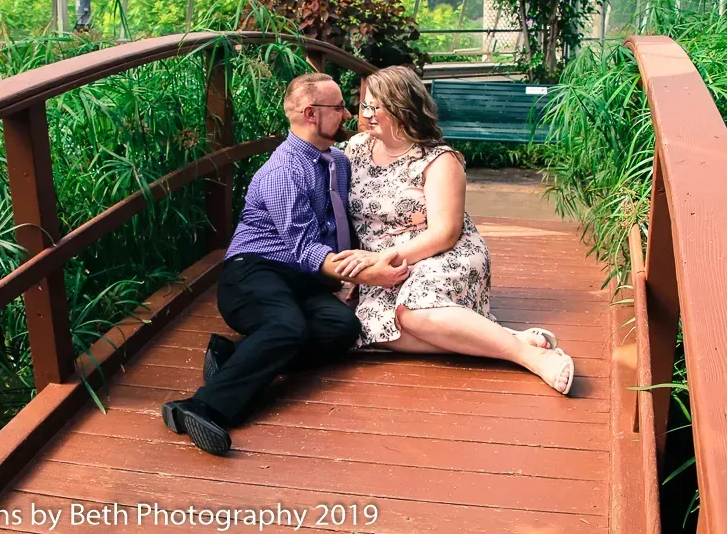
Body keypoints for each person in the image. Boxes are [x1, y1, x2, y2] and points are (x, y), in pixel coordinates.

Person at [162, 72, 408, 456]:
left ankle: (232, 357)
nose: (347, 113)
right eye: (339, 106)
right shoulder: (283, 172)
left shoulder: (338, 162)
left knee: (341, 329)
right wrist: (365, 273)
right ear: (311, 113)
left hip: (303, 280)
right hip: (254, 271)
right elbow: (303, 248)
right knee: (287, 327)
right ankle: (200, 406)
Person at [333, 66, 575, 395]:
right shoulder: (356, 149)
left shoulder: (438, 160)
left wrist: (382, 259)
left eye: (377, 106)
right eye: (365, 105)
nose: (367, 114)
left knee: (411, 315)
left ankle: (530, 358)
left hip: (442, 255)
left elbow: (445, 233)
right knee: (373, 328)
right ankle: (502, 337)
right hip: (385, 268)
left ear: (402, 107)